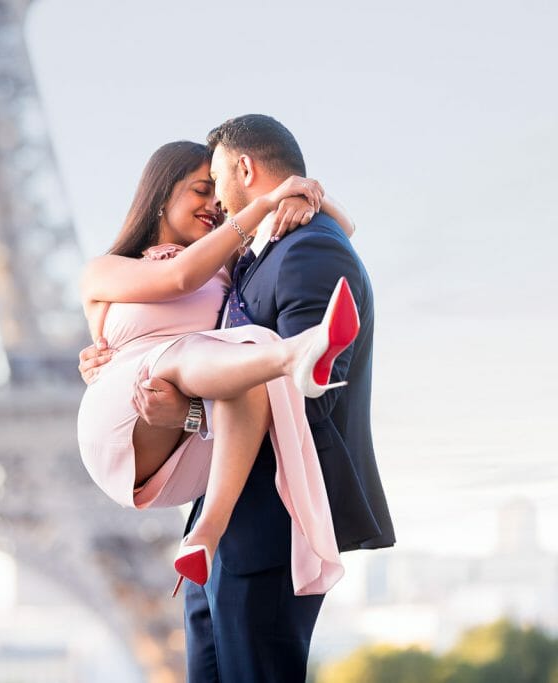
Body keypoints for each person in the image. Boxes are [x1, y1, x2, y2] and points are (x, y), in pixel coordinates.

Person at [79, 116, 395, 682]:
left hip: (251, 508)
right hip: (140, 408)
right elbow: (174, 287)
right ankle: (291, 354)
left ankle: (292, 358)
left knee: (243, 353)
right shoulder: (161, 266)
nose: (217, 204)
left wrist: (310, 198)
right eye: (201, 190)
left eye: (216, 184)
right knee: (229, 351)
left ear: (243, 169)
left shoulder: (283, 256)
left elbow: (311, 408)